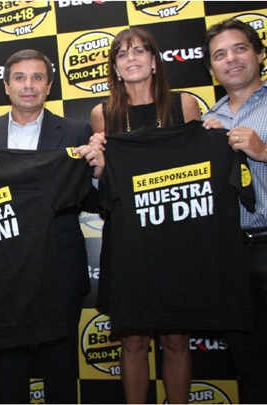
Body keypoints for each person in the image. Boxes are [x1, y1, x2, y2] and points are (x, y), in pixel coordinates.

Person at [0, 49, 97, 404]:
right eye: (20, 78)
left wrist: (98, 171)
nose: (29, 85)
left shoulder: (77, 130)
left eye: (37, 77)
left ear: (49, 86)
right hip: (1, 271)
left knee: (61, 369)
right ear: (6, 85)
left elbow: (92, 198)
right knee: (9, 372)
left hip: (60, 267)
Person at [88, 27, 201, 404]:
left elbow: (200, 169)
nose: (131, 58)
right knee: (133, 341)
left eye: (139, 51)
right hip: (128, 240)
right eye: (122, 54)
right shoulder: (103, 114)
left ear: (154, 61)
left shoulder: (184, 105)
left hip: (177, 238)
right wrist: (97, 164)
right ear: (115, 68)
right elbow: (106, 183)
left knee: (176, 338)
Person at [201, 18, 267, 404]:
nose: (231, 59)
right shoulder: (208, 122)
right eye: (220, 55)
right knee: (250, 364)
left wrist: (263, 152)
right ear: (211, 69)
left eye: (240, 49)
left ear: (259, 54)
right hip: (231, 256)